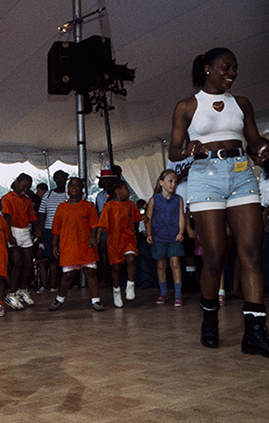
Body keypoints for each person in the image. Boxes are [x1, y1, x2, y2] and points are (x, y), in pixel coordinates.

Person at [169, 48, 269, 353]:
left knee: (251, 252)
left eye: (235, 68)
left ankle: (254, 332)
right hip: (205, 176)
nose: (232, 73)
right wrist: (188, 149)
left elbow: (254, 142)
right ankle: (209, 320)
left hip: (241, 174)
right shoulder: (187, 106)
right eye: (226, 67)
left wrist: (264, 149)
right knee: (214, 257)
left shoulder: (241, 104)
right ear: (208, 68)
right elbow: (173, 151)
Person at [49, 177, 102, 311]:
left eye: (77, 185)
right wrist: (54, 245)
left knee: (91, 272)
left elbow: (94, 225)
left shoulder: (88, 206)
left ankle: (96, 300)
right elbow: (56, 229)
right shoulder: (61, 207)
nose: (74, 187)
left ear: (82, 189)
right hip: (68, 246)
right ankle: (59, 299)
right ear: (67, 189)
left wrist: (92, 237)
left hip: (86, 246)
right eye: (71, 185)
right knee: (67, 275)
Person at [145, 170, 186, 307]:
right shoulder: (154, 200)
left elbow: (181, 216)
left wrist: (181, 232)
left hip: (173, 236)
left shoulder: (178, 199)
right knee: (161, 265)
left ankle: (178, 294)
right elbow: (148, 218)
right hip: (158, 237)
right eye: (170, 181)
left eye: (175, 182)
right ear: (161, 183)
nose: (173, 184)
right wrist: (148, 233)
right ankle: (163, 292)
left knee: (175, 264)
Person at [97, 180, 141, 307]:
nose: (128, 191)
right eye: (126, 188)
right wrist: (97, 238)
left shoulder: (131, 205)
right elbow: (102, 224)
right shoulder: (109, 206)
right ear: (118, 191)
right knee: (116, 268)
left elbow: (138, 216)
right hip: (114, 242)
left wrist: (144, 216)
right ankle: (116, 291)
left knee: (131, 259)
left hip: (128, 239)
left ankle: (130, 285)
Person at [1, 173, 38, 309]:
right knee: (17, 263)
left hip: (25, 231)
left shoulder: (27, 199)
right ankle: (11, 294)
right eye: (23, 186)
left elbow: (32, 216)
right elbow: (7, 216)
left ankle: (22, 291)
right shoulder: (7, 198)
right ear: (16, 183)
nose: (25, 190)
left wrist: (37, 227)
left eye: (27, 188)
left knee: (29, 264)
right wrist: (10, 235)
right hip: (13, 230)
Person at [38, 170, 69, 292]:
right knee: (52, 259)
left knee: (65, 259)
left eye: (62, 177)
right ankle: (52, 286)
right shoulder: (48, 194)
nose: (60, 180)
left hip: (66, 230)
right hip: (49, 230)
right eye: (57, 178)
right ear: (54, 180)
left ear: (66, 179)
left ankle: (64, 285)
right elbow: (42, 213)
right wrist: (40, 231)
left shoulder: (69, 194)